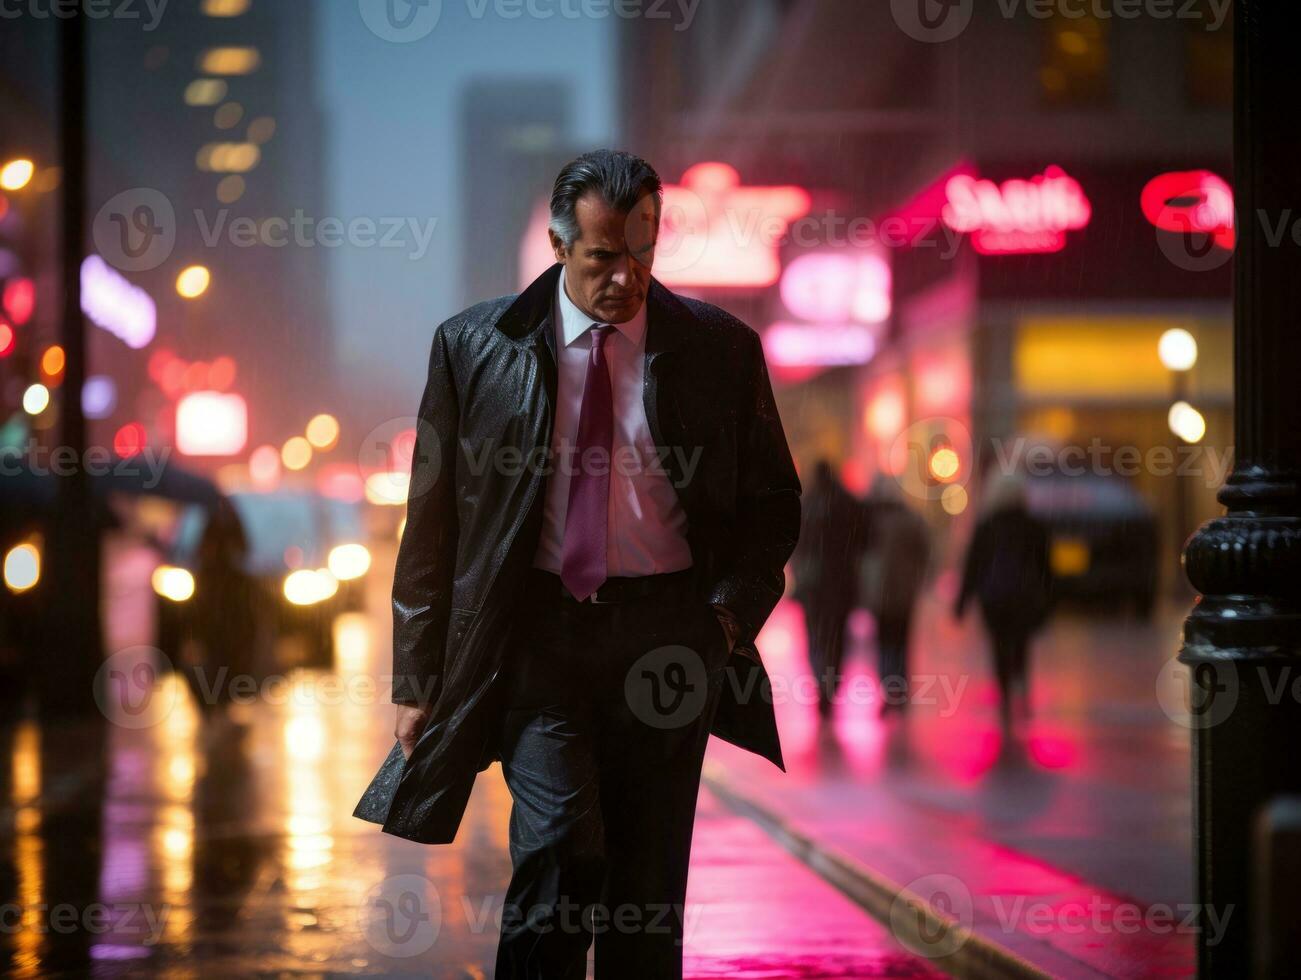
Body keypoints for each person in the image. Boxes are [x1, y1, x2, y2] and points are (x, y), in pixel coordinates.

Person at [354, 149, 801, 979]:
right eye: (602, 256)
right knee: (559, 852)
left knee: (647, 885)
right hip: (539, 638)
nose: (625, 279)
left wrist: (725, 620)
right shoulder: (474, 347)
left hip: (670, 639)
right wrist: (416, 679)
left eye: (642, 255)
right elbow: (434, 526)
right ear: (560, 246)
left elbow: (773, 507)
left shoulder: (718, 351)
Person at [954, 472, 1052, 729]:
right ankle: (1021, 686)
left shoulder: (987, 527)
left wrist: (962, 603)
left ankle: (1005, 697)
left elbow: (973, 566)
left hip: (994, 598)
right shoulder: (1034, 527)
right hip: (1024, 597)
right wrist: (1048, 601)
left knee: (999, 646)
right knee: (1020, 644)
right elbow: (1045, 569)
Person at [790, 460, 867, 717]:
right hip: (840, 586)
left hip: (814, 587)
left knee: (816, 637)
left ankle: (822, 681)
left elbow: (794, 543)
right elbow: (864, 541)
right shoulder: (848, 504)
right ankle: (830, 685)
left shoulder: (807, 504)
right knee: (837, 639)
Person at [859, 477, 931, 714]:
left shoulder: (872, 523)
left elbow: (865, 559)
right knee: (900, 642)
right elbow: (924, 553)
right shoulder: (910, 521)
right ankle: (898, 690)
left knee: (885, 643)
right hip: (902, 593)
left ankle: (891, 690)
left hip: (882, 594)